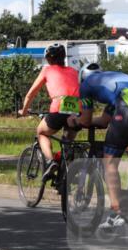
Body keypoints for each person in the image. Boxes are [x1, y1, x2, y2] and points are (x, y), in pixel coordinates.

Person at [77, 63, 128, 230]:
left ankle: (116, 212)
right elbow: (105, 120)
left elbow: (85, 120)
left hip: (127, 109)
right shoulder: (113, 80)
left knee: (110, 163)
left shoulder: (85, 85)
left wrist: (75, 121)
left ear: (83, 77)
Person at [18, 44, 81, 181]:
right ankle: (68, 172)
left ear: (48, 59)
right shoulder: (74, 71)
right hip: (76, 109)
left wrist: (23, 111)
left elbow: (31, 94)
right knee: (67, 142)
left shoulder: (47, 70)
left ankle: (51, 161)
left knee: (41, 132)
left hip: (58, 106)